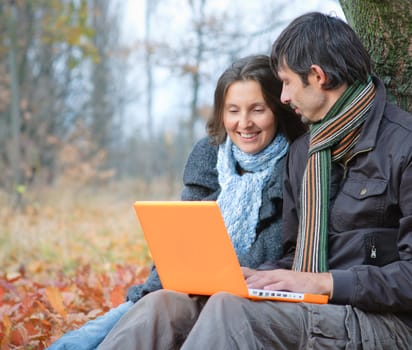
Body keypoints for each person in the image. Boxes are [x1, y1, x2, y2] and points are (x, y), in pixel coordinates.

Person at [134, 12, 411, 349]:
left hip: (383, 322)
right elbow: (296, 253)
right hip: (317, 308)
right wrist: (258, 277)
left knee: (229, 310)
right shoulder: (306, 153)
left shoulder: (403, 146)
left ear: (318, 76)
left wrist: (326, 282)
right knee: (164, 306)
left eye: (287, 82)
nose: (282, 97)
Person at [47, 54, 306, 349]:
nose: (243, 123)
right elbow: (180, 243)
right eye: (233, 111)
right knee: (82, 341)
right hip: (185, 287)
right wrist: (150, 292)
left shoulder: (295, 163)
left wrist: (209, 275)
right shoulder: (208, 157)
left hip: (241, 300)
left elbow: (277, 251)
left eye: (257, 110)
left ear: (277, 109)